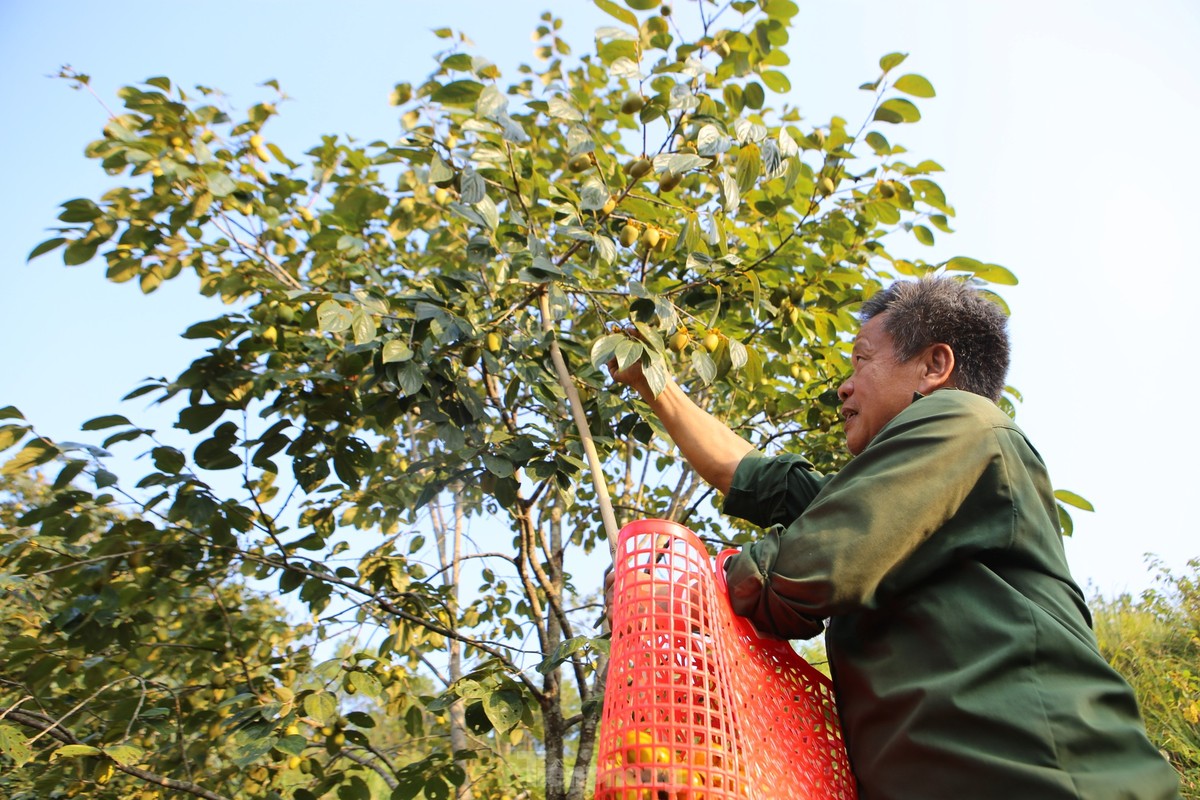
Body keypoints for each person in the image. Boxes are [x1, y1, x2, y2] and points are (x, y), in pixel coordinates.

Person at [607, 277, 1180, 799]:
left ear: (934, 367)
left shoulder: (966, 422)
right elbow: (754, 477)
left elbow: (812, 565)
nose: (844, 386)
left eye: (861, 360)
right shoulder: (901, 505)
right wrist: (652, 379)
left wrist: (683, 589)